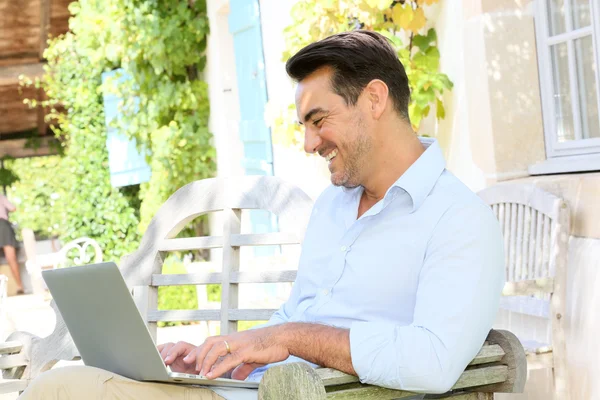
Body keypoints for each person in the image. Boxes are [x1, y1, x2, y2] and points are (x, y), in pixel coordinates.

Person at [19, 30, 504, 399]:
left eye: (319, 120)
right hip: (259, 391)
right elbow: (295, 318)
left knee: (61, 391)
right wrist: (228, 354)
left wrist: (291, 337)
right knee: (68, 383)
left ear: (375, 99)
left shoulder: (459, 219)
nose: (310, 143)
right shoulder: (334, 207)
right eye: (305, 127)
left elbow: (434, 362)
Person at [0, 193, 24, 295]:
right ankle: (20, 286)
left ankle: (19, 286)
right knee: (11, 258)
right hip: (2, 225)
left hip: (3, 226)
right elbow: (13, 208)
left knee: (11, 257)